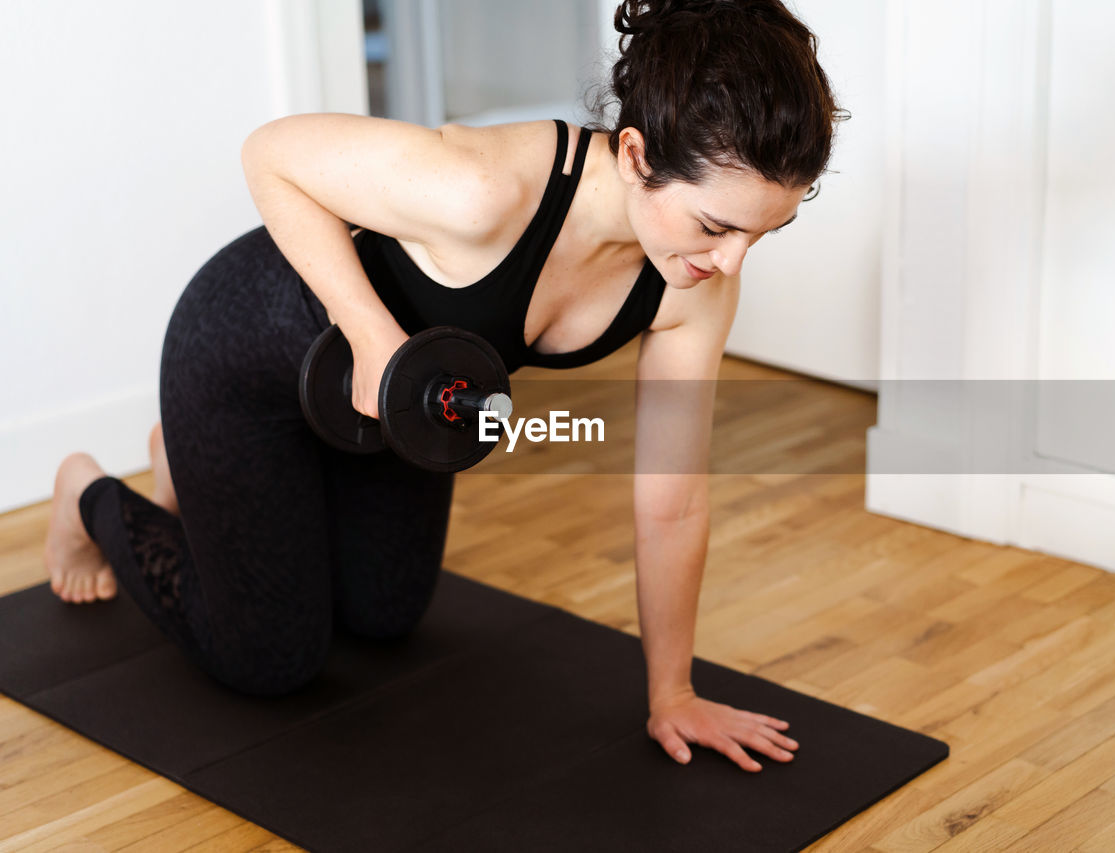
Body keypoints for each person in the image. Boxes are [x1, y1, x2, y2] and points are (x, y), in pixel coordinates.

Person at [42, 0, 842, 774]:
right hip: (247, 357)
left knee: (386, 616)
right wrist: (372, 335)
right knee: (270, 659)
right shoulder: (481, 187)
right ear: (636, 155)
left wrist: (673, 692)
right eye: (715, 226)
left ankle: (188, 466)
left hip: (391, 406)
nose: (733, 262)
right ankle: (88, 494)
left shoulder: (691, 283)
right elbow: (270, 152)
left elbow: (674, 498)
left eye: (764, 232)